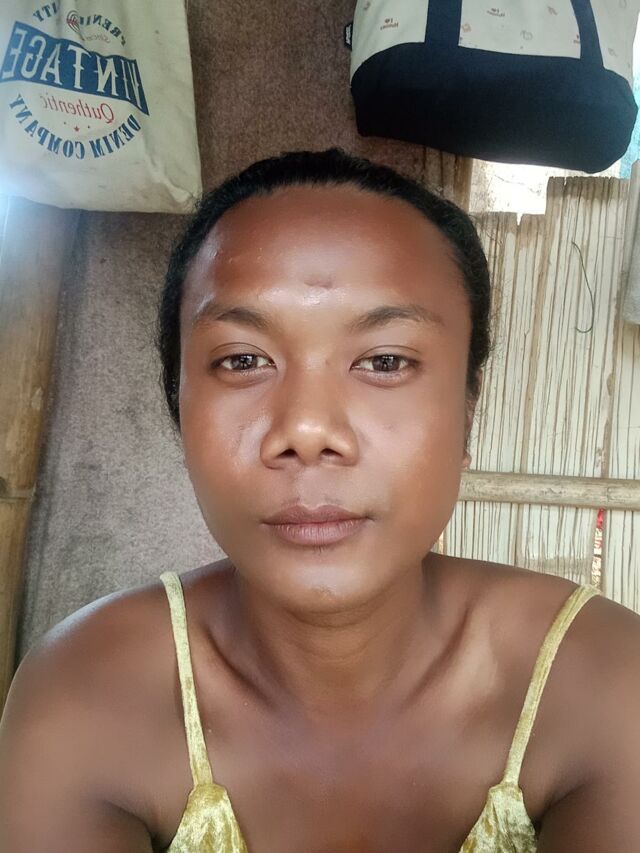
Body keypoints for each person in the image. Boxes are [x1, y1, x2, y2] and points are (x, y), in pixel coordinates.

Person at [1, 148, 639, 852]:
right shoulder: (86, 697)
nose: (307, 431)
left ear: (468, 408)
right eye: (243, 360)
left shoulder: (604, 683)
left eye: (385, 361)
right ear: (179, 407)